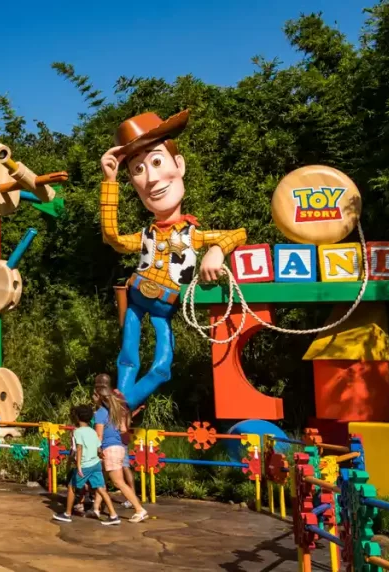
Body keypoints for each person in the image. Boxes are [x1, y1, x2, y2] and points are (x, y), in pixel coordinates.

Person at [100, 110, 246, 410]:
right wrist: (109, 181)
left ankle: (123, 407)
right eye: (138, 170)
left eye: (156, 162)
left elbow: (237, 234)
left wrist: (217, 251)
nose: (151, 178)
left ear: (179, 165)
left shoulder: (192, 235)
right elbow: (112, 238)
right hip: (137, 297)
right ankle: (121, 405)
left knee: (162, 364)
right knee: (127, 356)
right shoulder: (144, 235)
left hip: (165, 305)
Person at [52, 405, 120, 525]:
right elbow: (99, 448)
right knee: (101, 489)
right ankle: (113, 515)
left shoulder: (77, 432)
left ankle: (67, 514)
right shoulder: (93, 431)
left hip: (85, 464)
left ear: (77, 417)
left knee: (71, 487)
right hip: (96, 463)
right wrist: (100, 455)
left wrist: (78, 465)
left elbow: (79, 448)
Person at [91, 382, 149, 522]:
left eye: (93, 395)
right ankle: (96, 508)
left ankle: (139, 509)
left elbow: (98, 436)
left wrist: (95, 450)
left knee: (118, 482)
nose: (92, 398)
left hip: (108, 449)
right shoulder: (115, 411)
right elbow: (123, 429)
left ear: (98, 396)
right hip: (118, 447)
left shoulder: (100, 413)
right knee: (102, 479)